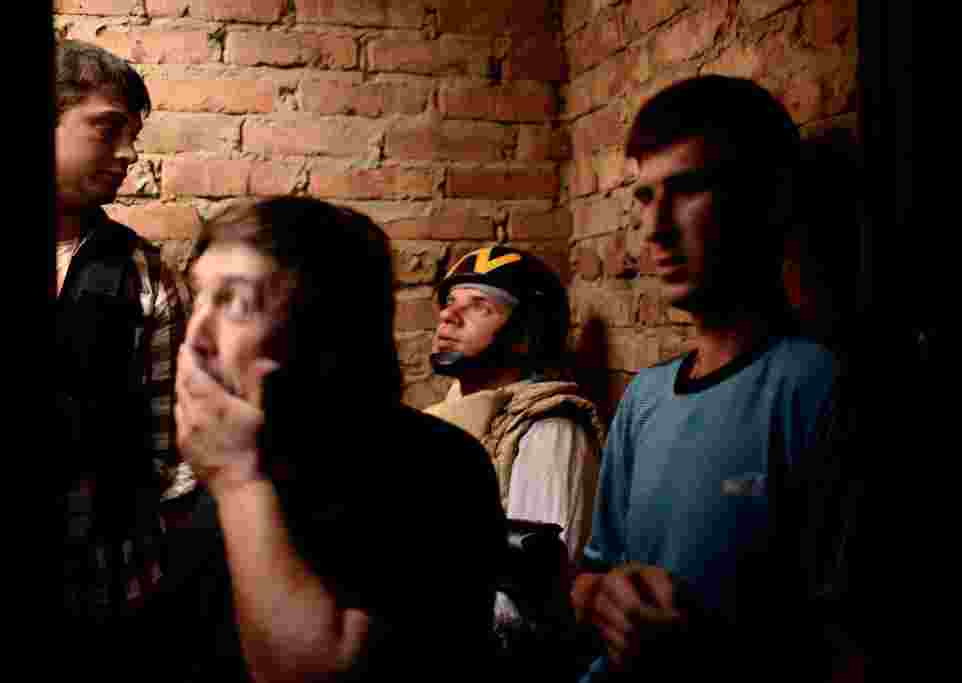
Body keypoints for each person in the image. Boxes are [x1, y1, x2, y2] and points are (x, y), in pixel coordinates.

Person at [142, 197, 506, 681]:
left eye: (237, 303)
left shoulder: (434, 469)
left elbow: (318, 671)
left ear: (321, 326)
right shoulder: (245, 447)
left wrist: (238, 483)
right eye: (200, 297)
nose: (197, 335)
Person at [570, 75, 841, 681]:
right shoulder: (644, 398)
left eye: (687, 189)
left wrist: (709, 654)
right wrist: (599, 599)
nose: (655, 227)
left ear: (767, 201)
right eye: (644, 197)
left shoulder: (817, 389)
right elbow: (593, 572)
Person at [55, 38, 192, 662]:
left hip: (103, 586)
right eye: (107, 128)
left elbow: (169, 450)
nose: (130, 153)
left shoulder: (142, 271)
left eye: (133, 133)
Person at [422, 245, 604, 674]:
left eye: (479, 306)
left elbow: (531, 601)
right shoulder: (448, 417)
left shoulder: (550, 428)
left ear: (525, 334)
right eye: (450, 302)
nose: (449, 315)